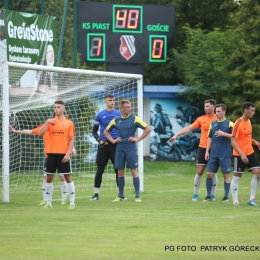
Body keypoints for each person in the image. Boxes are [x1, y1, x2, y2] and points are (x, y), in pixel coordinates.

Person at [9, 124, 76, 205]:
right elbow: (31, 131)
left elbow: (69, 139)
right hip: (50, 157)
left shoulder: (63, 126)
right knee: (46, 177)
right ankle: (45, 199)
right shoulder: (46, 127)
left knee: (63, 177)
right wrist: (16, 131)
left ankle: (64, 198)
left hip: (62, 156)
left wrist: (72, 148)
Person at [169, 99, 218, 201]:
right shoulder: (201, 119)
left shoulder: (219, 119)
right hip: (203, 148)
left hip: (215, 149)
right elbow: (189, 128)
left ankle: (212, 195)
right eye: (204, 106)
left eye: (207, 106)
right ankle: (195, 194)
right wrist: (176, 135)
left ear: (213, 107)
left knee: (212, 172)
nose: (205, 108)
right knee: (199, 171)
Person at [104, 99, 151, 202]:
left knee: (134, 171)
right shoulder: (116, 120)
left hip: (131, 149)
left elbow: (148, 129)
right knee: (120, 172)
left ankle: (137, 196)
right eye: (127, 107)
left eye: (130, 107)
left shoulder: (135, 119)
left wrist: (137, 139)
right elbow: (106, 132)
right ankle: (120, 195)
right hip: (120, 149)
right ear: (122, 108)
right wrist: (112, 140)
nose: (129, 109)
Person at [38, 100, 76, 209]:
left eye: (58, 107)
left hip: (63, 155)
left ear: (63, 109)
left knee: (68, 177)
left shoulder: (69, 123)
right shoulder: (50, 122)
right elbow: (40, 133)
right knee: (49, 177)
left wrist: (68, 154)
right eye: (55, 107)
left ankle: (72, 202)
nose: (56, 109)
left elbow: (72, 140)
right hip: (51, 154)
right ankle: (48, 203)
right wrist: (47, 123)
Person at [90, 94, 121, 200]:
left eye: (113, 100)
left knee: (118, 169)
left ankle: (120, 194)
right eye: (110, 100)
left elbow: (123, 128)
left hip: (115, 145)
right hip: (104, 145)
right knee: (100, 170)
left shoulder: (119, 114)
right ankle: (96, 194)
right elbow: (94, 131)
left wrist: (120, 138)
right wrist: (100, 140)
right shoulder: (100, 115)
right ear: (105, 101)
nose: (112, 102)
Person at [230, 102, 260, 206]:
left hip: (250, 152)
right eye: (251, 110)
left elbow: (245, 137)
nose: (253, 112)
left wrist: (254, 141)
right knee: (237, 177)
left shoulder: (249, 122)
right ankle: (235, 201)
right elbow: (233, 141)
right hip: (239, 154)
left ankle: (251, 199)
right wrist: (242, 155)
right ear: (245, 110)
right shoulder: (238, 123)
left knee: (257, 173)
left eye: (253, 110)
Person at [204, 104, 234, 202]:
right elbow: (210, 138)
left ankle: (225, 197)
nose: (217, 113)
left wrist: (223, 134)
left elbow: (234, 137)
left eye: (219, 111)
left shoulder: (230, 124)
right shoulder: (213, 124)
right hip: (214, 153)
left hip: (225, 154)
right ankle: (209, 196)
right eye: (216, 111)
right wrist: (207, 151)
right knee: (209, 174)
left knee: (226, 175)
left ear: (224, 111)